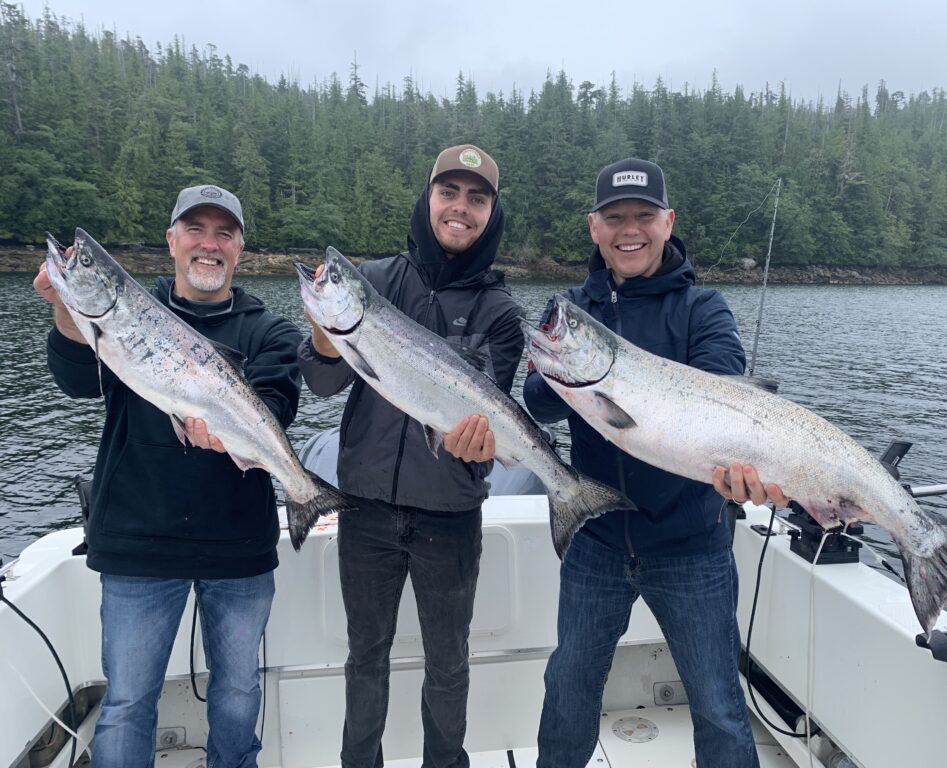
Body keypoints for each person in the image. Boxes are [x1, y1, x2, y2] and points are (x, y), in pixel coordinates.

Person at [523, 158, 787, 768]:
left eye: (644, 215)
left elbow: (726, 397)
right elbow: (537, 402)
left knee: (720, 706)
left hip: (692, 544)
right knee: (567, 692)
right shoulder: (568, 311)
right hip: (596, 542)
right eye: (615, 217)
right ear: (594, 227)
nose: (629, 229)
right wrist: (558, 370)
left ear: (668, 222)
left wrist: (742, 470)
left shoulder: (704, 309)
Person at [33, 185, 302, 768]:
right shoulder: (131, 310)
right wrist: (65, 304)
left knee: (238, 694)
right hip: (137, 543)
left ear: (240, 248)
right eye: (196, 230)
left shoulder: (269, 331)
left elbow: (279, 403)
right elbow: (78, 381)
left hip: (239, 548)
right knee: (127, 702)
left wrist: (236, 434)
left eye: (223, 233)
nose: (209, 244)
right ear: (172, 240)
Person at [298, 144, 524, 768]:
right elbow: (320, 384)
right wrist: (324, 333)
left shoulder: (501, 313)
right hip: (365, 509)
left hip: (449, 515)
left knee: (448, 662)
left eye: (476, 198)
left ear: (491, 213)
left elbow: (489, 428)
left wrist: (475, 447)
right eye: (448, 192)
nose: (460, 208)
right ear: (428, 199)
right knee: (364, 657)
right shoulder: (370, 282)